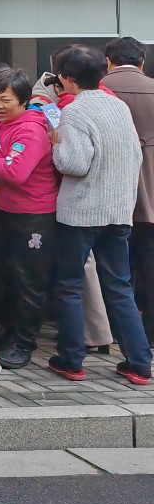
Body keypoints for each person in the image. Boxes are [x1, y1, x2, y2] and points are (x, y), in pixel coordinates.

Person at [49, 46, 153, 386]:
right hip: (119, 210)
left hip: (81, 212)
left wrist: (56, 143)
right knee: (120, 287)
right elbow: (135, 154)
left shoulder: (75, 111)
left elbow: (74, 164)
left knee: (69, 285)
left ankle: (71, 360)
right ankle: (140, 363)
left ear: (66, 78)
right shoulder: (117, 106)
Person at [0, 70, 60, 371]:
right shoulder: (2, 123)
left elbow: (15, 172)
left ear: (23, 101)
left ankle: (24, 343)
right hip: (5, 210)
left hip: (34, 215)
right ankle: (6, 331)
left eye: (5, 100)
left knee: (28, 281)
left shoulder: (30, 130)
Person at [101, 37, 154, 346]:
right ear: (142, 62)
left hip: (110, 188)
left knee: (113, 264)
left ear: (108, 61)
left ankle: (114, 328)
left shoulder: (96, 90)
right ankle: (149, 328)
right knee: (149, 260)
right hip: (151, 189)